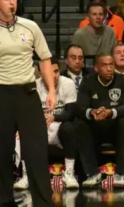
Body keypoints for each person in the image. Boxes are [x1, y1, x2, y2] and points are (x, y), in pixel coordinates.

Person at [13, 61, 79, 190]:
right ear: (40, 72)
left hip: (59, 126)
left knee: (69, 128)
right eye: (49, 72)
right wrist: (39, 119)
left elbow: (71, 113)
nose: (54, 76)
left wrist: (54, 117)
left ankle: (69, 174)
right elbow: (25, 113)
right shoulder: (34, 86)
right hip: (39, 126)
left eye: (56, 71)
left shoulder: (68, 83)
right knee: (24, 131)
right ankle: (26, 176)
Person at [73, 53, 124, 189]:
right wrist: (92, 112)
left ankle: (121, 174)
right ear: (96, 68)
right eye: (105, 65)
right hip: (95, 127)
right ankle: (92, 174)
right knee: (80, 123)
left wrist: (111, 112)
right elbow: (80, 108)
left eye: (111, 65)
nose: (109, 69)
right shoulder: (87, 81)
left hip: (115, 127)